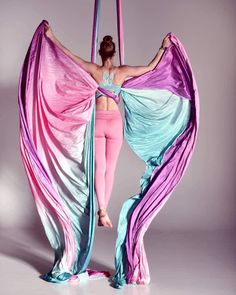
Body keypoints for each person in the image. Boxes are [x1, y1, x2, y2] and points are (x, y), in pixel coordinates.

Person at [44, 23, 171, 228]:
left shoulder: (94, 69)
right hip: (114, 123)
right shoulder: (122, 71)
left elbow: (68, 55)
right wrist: (162, 48)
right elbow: (150, 68)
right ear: (114, 53)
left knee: (99, 168)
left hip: (98, 122)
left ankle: (101, 210)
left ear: (100, 53)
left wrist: (51, 37)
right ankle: (104, 210)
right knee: (109, 169)